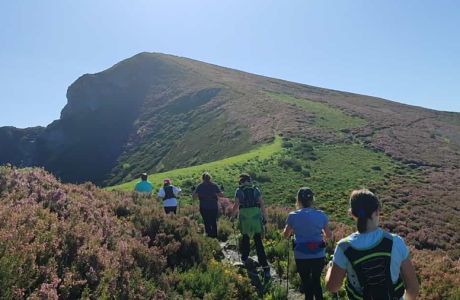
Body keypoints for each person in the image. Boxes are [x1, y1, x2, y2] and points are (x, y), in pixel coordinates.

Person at [325, 189, 420, 300]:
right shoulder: (395, 242)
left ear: (352, 214)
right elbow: (413, 288)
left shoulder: (343, 247)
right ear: (377, 211)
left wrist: (330, 268)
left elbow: (333, 287)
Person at [283, 187, 332, 300]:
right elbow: (329, 235)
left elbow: (286, 235)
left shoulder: (293, 215)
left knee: (306, 282)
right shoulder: (321, 215)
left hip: (301, 254)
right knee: (316, 281)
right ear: (312, 199)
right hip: (318, 253)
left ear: (298, 200)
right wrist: (322, 236)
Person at [232, 173, 271, 279]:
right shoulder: (256, 189)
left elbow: (236, 205)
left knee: (245, 238)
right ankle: (265, 267)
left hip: (245, 219)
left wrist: (232, 217)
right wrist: (266, 218)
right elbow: (262, 204)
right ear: (249, 180)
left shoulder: (239, 190)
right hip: (255, 217)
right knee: (258, 241)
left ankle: (244, 259)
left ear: (241, 181)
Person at [192, 172, 223, 238]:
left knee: (206, 221)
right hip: (213, 206)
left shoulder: (200, 186)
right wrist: (222, 190)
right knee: (213, 221)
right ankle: (215, 236)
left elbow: (194, 197)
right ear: (210, 178)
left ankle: (209, 235)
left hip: (204, 206)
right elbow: (221, 195)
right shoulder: (214, 185)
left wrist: (193, 191)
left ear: (202, 179)